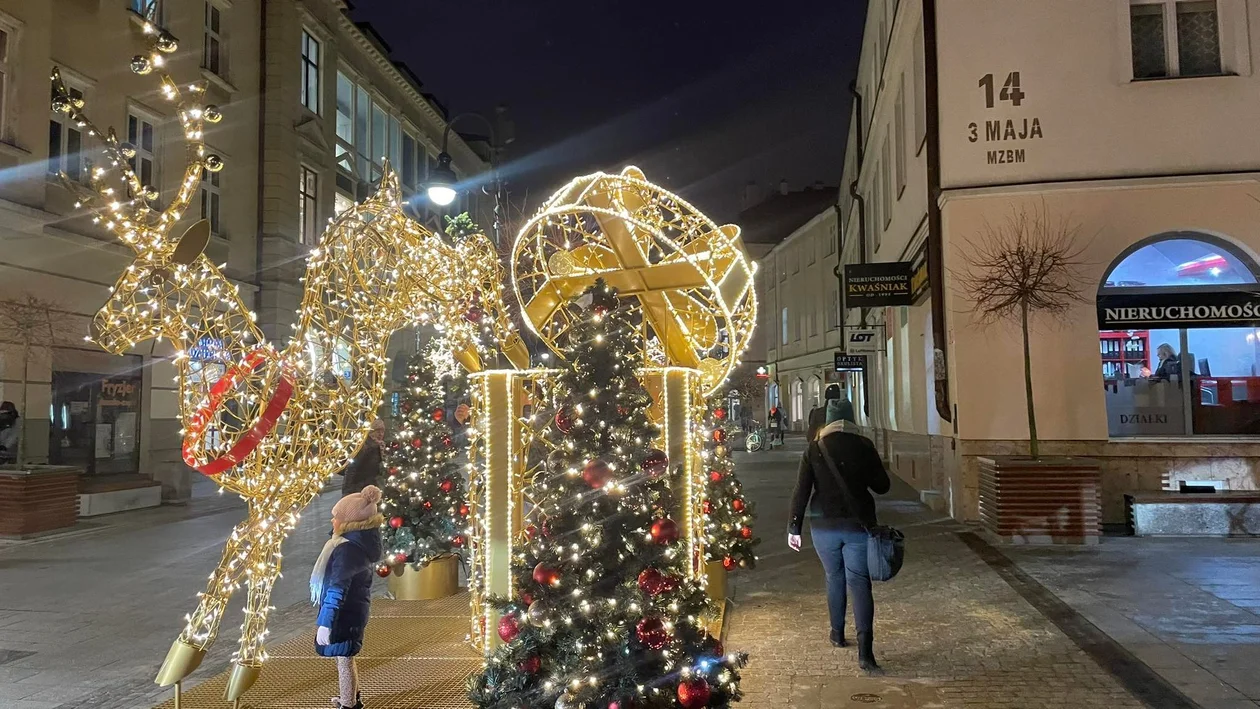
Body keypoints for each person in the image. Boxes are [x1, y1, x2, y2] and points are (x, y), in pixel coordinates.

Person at [787, 398, 891, 675]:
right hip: (857, 525)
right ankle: (865, 653)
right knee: (859, 583)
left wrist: (793, 528)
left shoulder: (814, 448)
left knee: (834, 577)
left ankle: (836, 633)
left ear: (827, 421)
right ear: (852, 418)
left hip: (823, 527)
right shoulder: (864, 445)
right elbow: (883, 486)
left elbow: (801, 491)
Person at [312, 484, 384, 709]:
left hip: (344, 614)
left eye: (336, 518)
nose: (332, 521)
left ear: (349, 523)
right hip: (351, 611)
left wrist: (325, 623)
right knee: (346, 657)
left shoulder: (347, 550)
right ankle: (352, 698)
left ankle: (348, 704)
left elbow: (337, 589)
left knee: (344, 661)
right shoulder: (352, 545)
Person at [341, 419, 385, 496]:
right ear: (371, 432)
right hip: (360, 489)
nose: (381, 434)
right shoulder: (364, 447)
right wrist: (347, 492)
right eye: (378, 431)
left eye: (382, 432)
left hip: (372, 489)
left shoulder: (380, 446)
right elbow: (351, 468)